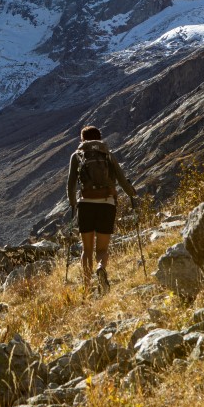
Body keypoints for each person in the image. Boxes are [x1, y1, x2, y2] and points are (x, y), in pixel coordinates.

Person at [66, 125, 137, 294]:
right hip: (107, 204)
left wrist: (73, 203)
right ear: (99, 138)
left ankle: (87, 286)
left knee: (87, 250)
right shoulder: (108, 155)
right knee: (102, 250)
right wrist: (132, 194)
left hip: (86, 204)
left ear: (82, 139)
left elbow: (71, 183)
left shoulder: (77, 155)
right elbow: (121, 179)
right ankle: (101, 267)